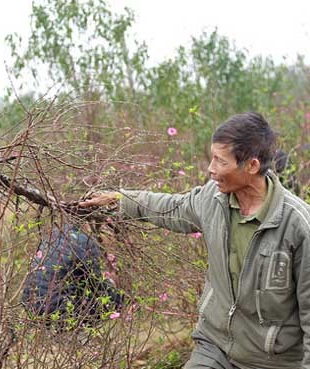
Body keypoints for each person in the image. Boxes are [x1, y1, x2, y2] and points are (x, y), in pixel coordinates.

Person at [79, 112, 310, 369]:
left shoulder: (298, 226)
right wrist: (121, 200)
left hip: (272, 361)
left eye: (220, 161)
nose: (210, 169)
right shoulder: (213, 199)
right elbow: (172, 207)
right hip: (216, 347)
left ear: (252, 166)